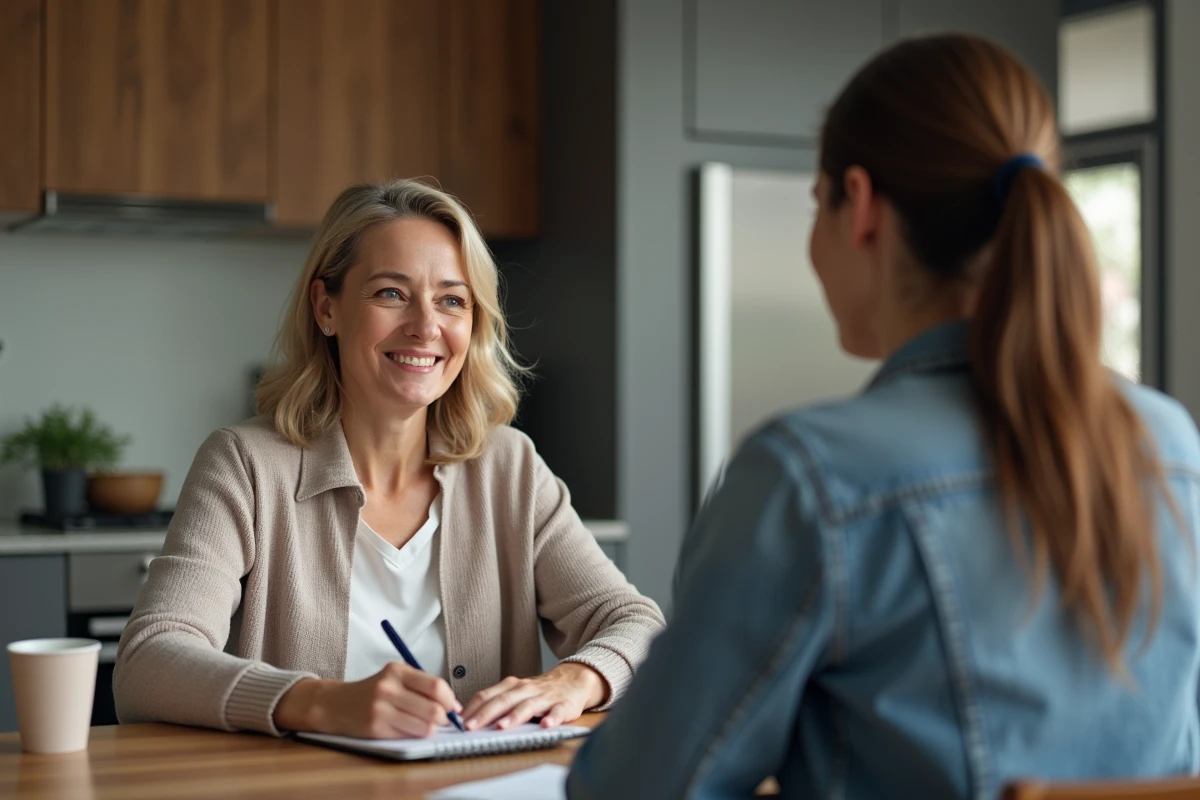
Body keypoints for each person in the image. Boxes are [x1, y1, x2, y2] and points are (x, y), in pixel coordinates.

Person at [568, 33, 1200, 799]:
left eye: (817, 203)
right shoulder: (1170, 444)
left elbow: (640, 789)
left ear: (860, 207)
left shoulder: (811, 476)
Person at [114, 180, 665, 740]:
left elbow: (636, 623)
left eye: (452, 300)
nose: (426, 327)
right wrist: (320, 702)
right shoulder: (246, 465)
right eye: (391, 294)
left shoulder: (509, 467)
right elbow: (147, 663)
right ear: (326, 307)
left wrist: (573, 680)